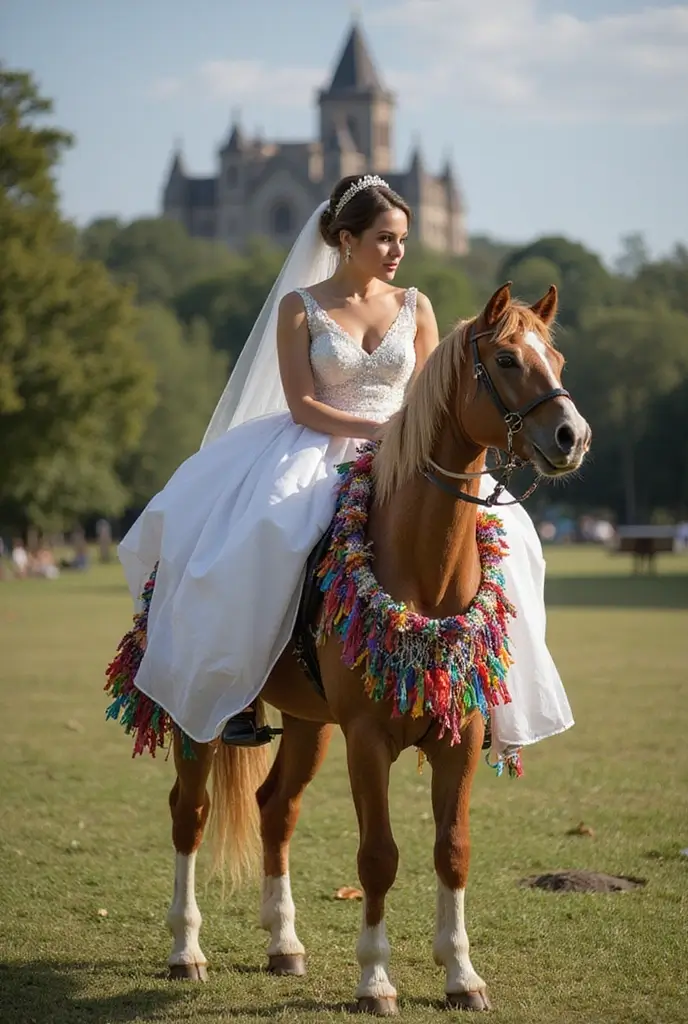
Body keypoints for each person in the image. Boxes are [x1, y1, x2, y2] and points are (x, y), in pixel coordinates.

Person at [116, 174, 572, 756]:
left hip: (411, 452)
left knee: (515, 538)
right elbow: (303, 402)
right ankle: (236, 690)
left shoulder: (417, 305)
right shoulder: (300, 307)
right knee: (263, 531)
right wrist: (376, 431)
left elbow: (431, 394)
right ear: (346, 240)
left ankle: (496, 694)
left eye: (402, 239)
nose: (398, 252)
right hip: (317, 444)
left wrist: (408, 437)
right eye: (385, 239)